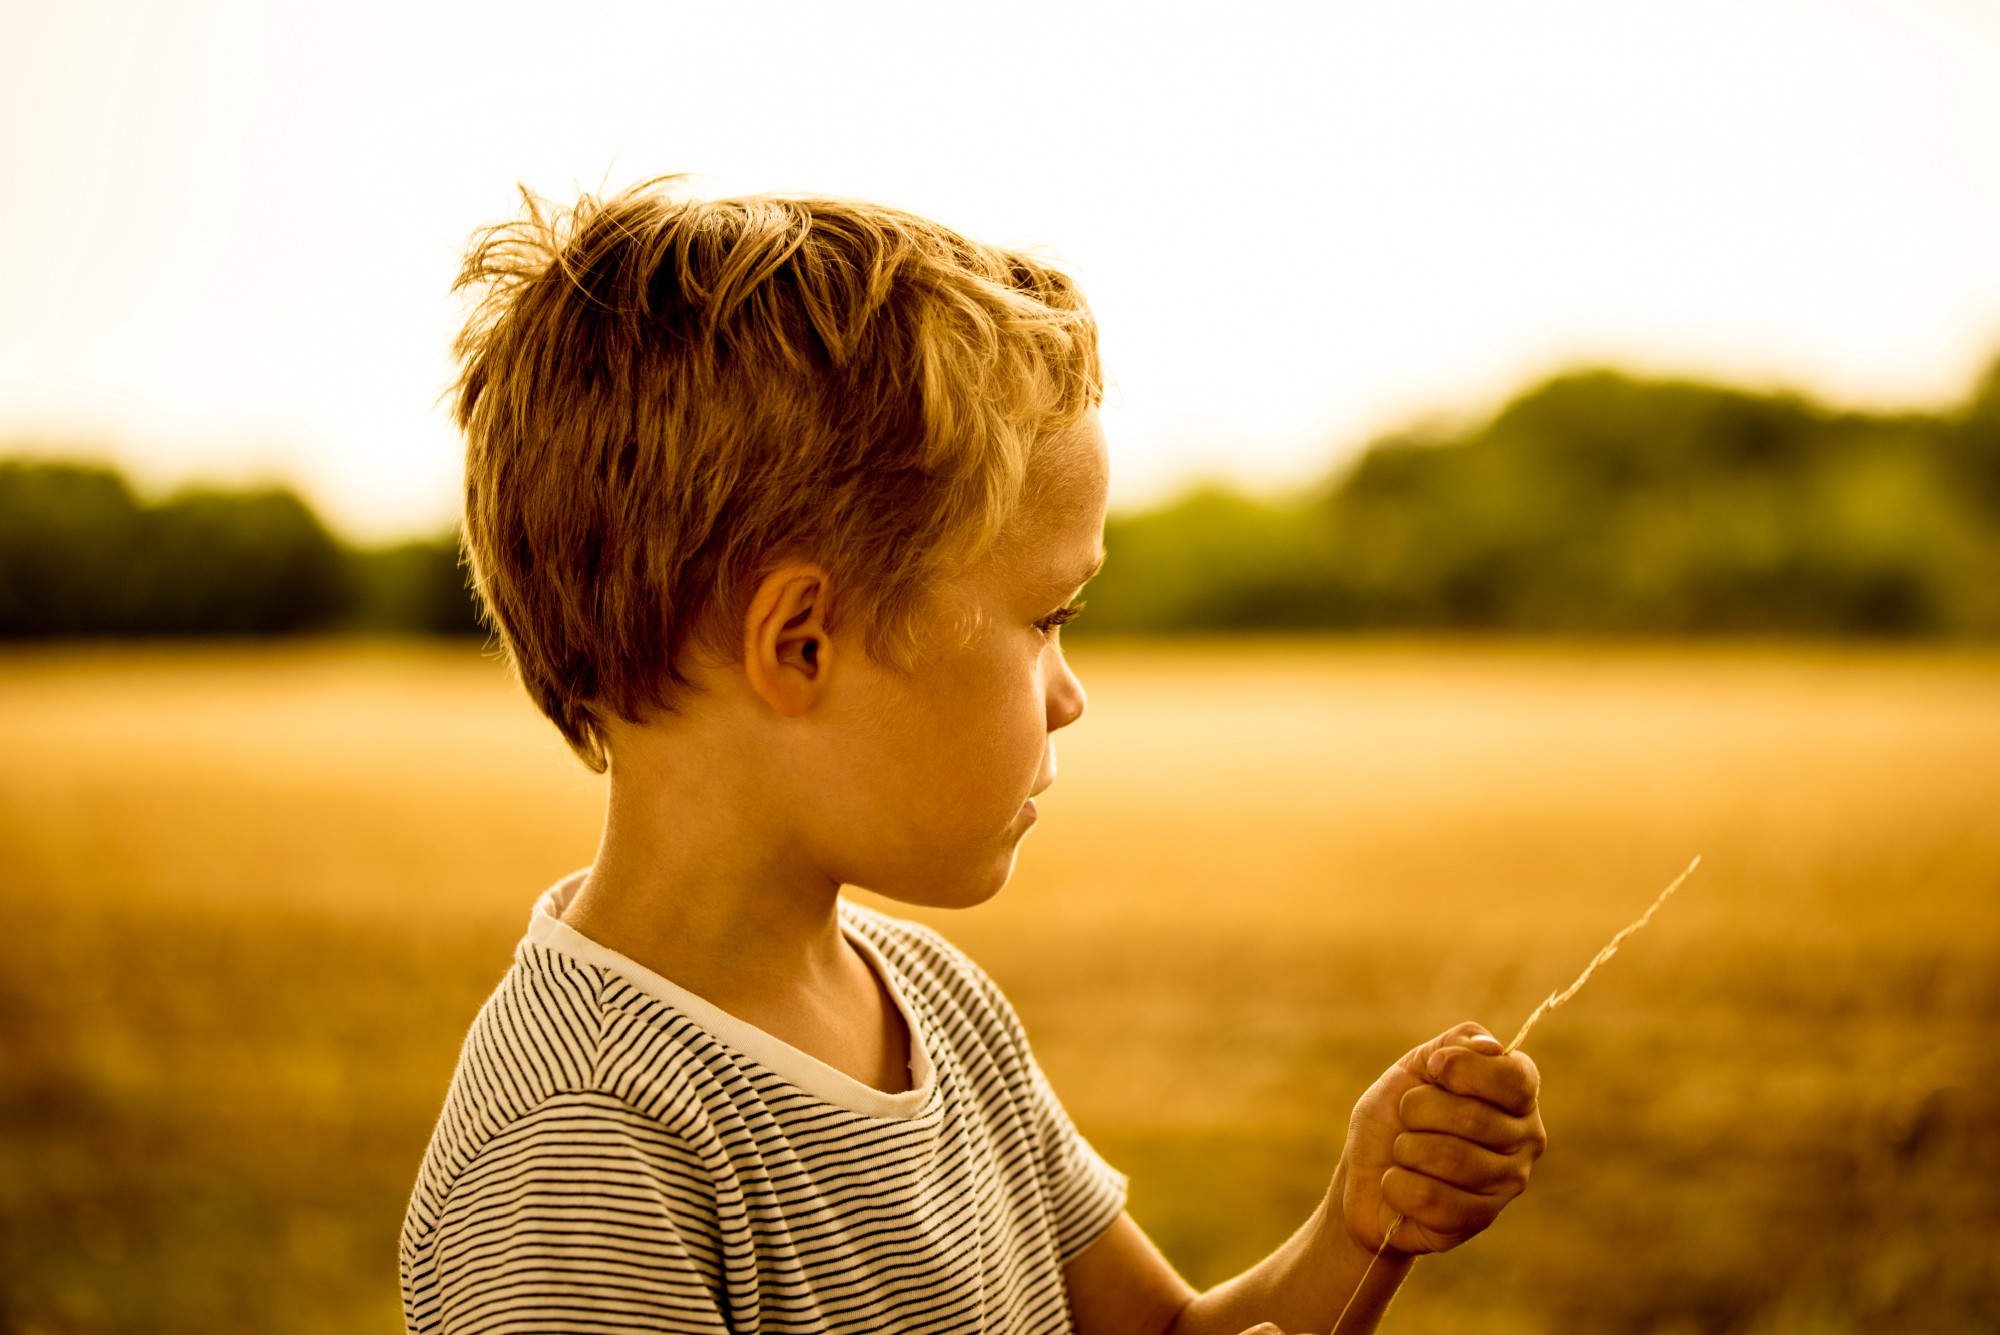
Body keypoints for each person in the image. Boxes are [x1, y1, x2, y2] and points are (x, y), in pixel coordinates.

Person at [399, 178, 1547, 1335]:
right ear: (799, 644)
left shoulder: (937, 1005)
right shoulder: (583, 1153)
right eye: (1045, 619)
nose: (1068, 695)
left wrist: (1358, 1229)